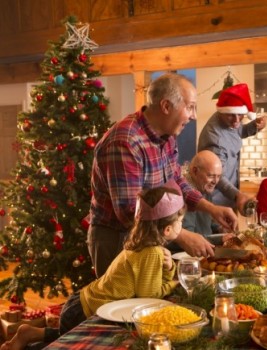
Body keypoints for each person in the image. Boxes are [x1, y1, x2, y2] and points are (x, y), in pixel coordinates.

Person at [1, 181, 185, 350]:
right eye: (181, 222)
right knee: (69, 344)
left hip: (81, 302)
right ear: (167, 229)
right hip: (85, 311)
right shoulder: (151, 252)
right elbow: (148, 297)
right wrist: (173, 280)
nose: (181, 226)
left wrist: (167, 269)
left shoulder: (142, 245)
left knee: (63, 335)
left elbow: (145, 288)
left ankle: (29, 332)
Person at [88, 72, 238, 277]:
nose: (193, 115)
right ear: (166, 106)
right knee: (121, 305)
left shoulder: (167, 136)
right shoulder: (126, 141)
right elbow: (130, 212)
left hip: (150, 235)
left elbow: (176, 181)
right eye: (190, 107)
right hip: (118, 238)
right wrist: (181, 235)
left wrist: (211, 208)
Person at [198, 83, 266, 211]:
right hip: (215, 202)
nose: (236, 120)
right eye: (231, 115)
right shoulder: (216, 140)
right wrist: (238, 195)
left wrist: (255, 126)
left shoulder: (226, 118)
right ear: (222, 111)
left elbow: (238, 131)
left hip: (228, 199)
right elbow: (216, 177)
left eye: (240, 115)